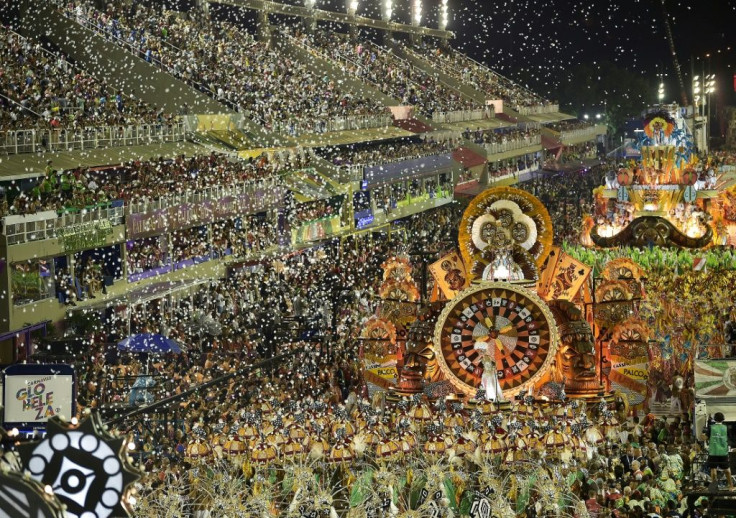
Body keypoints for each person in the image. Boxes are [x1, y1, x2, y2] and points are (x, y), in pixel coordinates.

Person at [705, 412, 734, 490]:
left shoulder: (711, 427)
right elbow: (729, 438)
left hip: (713, 452)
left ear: (714, 419)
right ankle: (731, 486)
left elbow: (705, 438)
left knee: (713, 470)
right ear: (723, 419)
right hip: (723, 452)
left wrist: (703, 435)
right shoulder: (726, 427)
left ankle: (714, 487)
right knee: (727, 470)